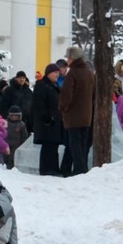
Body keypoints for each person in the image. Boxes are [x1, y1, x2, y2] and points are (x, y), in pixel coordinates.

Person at [58, 46, 95, 176]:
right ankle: (66, 168)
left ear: (73, 59)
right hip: (87, 115)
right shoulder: (89, 73)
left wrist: (63, 108)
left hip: (73, 115)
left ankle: (80, 169)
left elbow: (66, 95)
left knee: (74, 144)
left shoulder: (72, 73)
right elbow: (94, 94)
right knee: (82, 144)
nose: (67, 60)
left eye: (68, 58)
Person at [31, 64, 63, 176]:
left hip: (55, 122)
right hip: (47, 123)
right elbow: (39, 104)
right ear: (49, 73)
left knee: (54, 146)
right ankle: (46, 169)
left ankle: (53, 168)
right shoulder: (41, 85)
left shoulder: (54, 86)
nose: (57, 75)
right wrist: (47, 118)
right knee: (47, 146)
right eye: (55, 73)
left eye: (58, 73)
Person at [5, 105, 29, 170]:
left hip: (16, 145)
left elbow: (24, 136)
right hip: (6, 144)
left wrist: (22, 145)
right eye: (13, 116)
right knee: (5, 156)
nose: (15, 117)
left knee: (12, 158)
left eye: (16, 116)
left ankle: (11, 169)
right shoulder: (5, 123)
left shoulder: (21, 124)